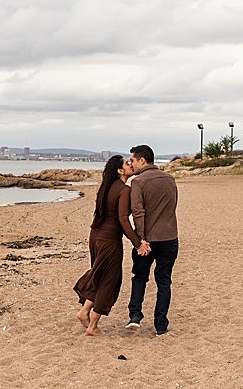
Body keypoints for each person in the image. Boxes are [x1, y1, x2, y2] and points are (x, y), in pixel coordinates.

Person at [73, 155, 140, 336]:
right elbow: (123, 220)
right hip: (109, 240)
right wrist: (137, 243)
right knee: (110, 279)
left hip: (95, 236)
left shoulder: (106, 187)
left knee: (100, 274)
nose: (130, 165)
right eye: (127, 164)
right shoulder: (123, 190)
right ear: (120, 170)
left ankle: (84, 312)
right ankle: (93, 326)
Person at [125, 144, 179, 335]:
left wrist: (141, 239)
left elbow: (138, 212)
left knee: (140, 277)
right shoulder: (170, 179)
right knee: (164, 281)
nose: (131, 164)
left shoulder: (138, 182)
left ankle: (135, 315)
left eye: (132, 160)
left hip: (149, 239)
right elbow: (172, 206)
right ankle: (161, 325)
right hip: (170, 237)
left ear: (142, 160)